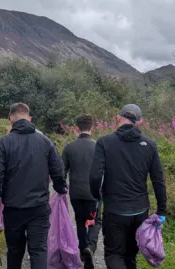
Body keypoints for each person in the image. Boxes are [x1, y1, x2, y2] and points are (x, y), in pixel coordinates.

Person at [0, 102, 68, 269]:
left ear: (11, 119)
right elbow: (58, 172)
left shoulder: (3, 144)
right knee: (38, 250)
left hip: (13, 209)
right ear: (30, 119)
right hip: (39, 208)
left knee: (15, 251)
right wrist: (61, 189)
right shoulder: (46, 142)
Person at [89, 104, 167, 269]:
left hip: (115, 210)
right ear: (139, 121)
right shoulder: (149, 144)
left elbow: (95, 176)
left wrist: (97, 196)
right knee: (131, 254)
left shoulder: (104, 143)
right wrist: (161, 211)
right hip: (140, 211)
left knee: (114, 254)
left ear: (118, 117)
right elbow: (158, 180)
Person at [61, 114, 101, 269]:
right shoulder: (98, 146)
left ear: (78, 128)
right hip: (93, 193)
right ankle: (90, 248)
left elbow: (61, 171)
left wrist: (61, 187)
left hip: (76, 193)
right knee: (94, 221)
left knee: (79, 221)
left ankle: (83, 250)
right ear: (92, 127)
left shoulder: (69, 147)